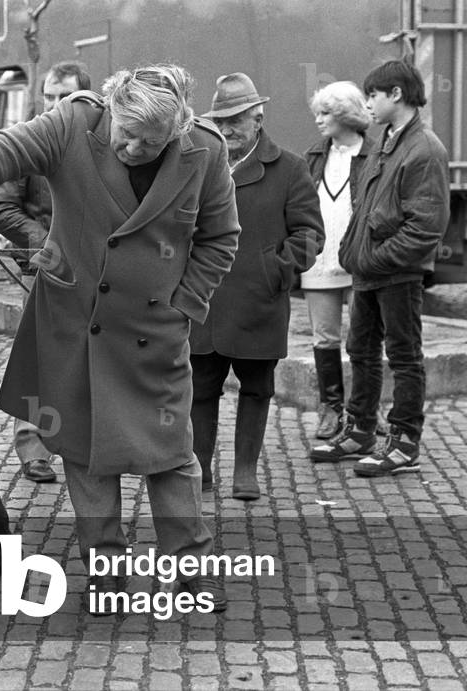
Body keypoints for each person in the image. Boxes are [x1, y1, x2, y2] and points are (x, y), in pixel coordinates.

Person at [0, 64, 240, 609]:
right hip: (75, 326)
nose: (132, 147)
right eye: (125, 134)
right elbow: (2, 150)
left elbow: (220, 238)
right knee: (84, 453)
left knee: (173, 454)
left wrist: (185, 304)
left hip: (156, 332)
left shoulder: (205, 151)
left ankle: (192, 571)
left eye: (150, 143)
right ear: (111, 110)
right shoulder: (73, 122)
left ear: (177, 132)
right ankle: (107, 571)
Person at [311, 60, 449, 476]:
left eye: (373, 95)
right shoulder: (388, 141)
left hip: (397, 274)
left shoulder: (424, 149)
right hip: (370, 272)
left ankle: (404, 441)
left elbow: (425, 228)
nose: (366, 102)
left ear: (396, 95)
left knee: (404, 356)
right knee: (361, 351)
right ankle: (360, 431)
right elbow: (366, 210)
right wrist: (359, 259)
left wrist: (369, 258)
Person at [190, 73, 324, 500]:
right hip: (205, 301)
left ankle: (245, 472)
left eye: (235, 122)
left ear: (258, 119)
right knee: (200, 389)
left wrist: (278, 270)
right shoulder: (201, 164)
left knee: (257, 388)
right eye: (220, 122)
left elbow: (309, 234)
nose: (226, 130)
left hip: (258, 302)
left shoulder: (289, 168)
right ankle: (200, 470)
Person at [0, 60, 91, 483]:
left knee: (88, 357)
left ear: (84, 98)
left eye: (63, 96)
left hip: (95, 273)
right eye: (48, 96)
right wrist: (47, 245)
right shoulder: (31, 141)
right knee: (40, 358)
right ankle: (34, 447)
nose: (53, 104)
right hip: (43, 272)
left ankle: (84, 439)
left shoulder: (104, 142)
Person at [301, 82, 375, 440]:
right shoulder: (314, 156)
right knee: (324, 338)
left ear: (347, 114)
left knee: (363, 342)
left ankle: (364, 414)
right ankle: (330, 409)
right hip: (319, 263)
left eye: (325, 113)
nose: (318, 120)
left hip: (361, 264)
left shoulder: (376, 154)